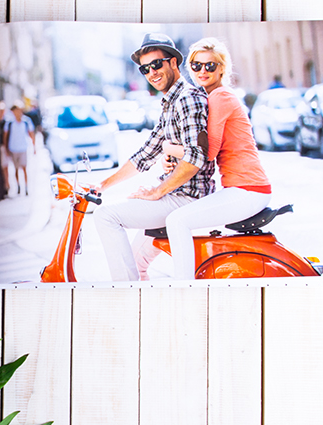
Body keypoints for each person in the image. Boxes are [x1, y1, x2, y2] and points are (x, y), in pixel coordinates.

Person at [93, 33, 214, 281]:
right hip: (174, 194)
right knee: (137, 265)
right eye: (145, 69)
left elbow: (196, 158)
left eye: (157, 64)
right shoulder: (170, 103)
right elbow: (145, 154)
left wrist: (158, 191)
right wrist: (102, 185)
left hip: (187, 198)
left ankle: (125, 294)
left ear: (173, 63)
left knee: (106, 216)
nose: (152, 73)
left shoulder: (187, 99)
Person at [154, 37, 272, 280]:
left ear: (222, 68)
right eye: (197, 65)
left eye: (211, 65)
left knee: (177, 220)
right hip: (241, 188)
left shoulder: (220, 97)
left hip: (248, 189)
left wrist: (168, 147)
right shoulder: (209, 97)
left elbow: (208, 152)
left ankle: (184, 286)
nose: (203, 71)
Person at [3, 101, 36, 195]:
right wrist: (6, 148)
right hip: (13, 148)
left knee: (24, 168)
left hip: (23, 148)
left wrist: (34, 147)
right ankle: (18, 186)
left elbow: (31, 134)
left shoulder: (26, 121)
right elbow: (5, 136)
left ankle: (25, 187)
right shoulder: (9, 122)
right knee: (16, 169)